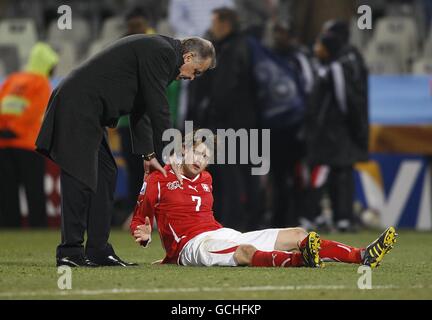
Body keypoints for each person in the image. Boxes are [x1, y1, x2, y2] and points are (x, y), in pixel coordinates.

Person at [35, 35, 216, 267]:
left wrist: (149, 154)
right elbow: (158, 106)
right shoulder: (163, 53)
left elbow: (141, 108)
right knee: (79, 176)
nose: (192, 77)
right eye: (196, 71)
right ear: (188, 56)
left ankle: (98, 250)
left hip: (89, 109)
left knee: (106, 173)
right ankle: (70, 251)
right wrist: (172, 151)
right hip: (78, 104)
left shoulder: (162, 54)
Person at [130, 136, 397, 269]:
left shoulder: (207, 178)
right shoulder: (159, 177)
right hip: (191, 246)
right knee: (244, 252)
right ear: (183, 149)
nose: (201, 160)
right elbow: (140, 217)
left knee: (297, 233)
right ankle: (299, 261)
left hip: (221, 233)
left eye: (206, 156)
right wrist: (143, 234)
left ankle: (361, 255)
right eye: (196, 152)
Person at [305, 25, 369, 232]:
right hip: (329, 132)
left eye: (319, 44)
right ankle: (332, 216)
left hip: (333, 132)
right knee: (334, 173)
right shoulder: (327, 66)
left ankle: (328, 216)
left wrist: (349, 126)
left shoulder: (336, 68)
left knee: (328, 172)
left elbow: (344, 101)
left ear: (329, 47)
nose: (316, 48)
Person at [0, 43, 59, 228]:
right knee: (33, 191)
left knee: (7, 192)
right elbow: (36, 109)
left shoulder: (12, 79)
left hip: (4, 143)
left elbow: (2, 105)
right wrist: (16, 129)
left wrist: (4, 129)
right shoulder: (42, 82)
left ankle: (10, 228)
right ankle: (37, 228)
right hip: (27, 144)